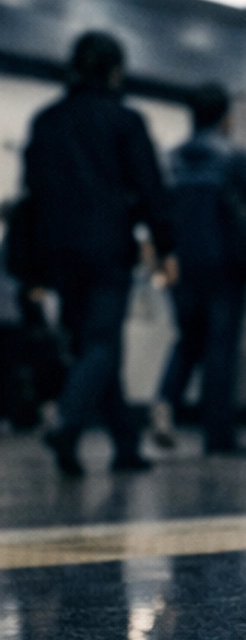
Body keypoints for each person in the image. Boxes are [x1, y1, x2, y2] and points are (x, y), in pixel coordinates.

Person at [19, 29, 176, 477]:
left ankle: (125, 445)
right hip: (107, 246)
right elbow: (149, 187)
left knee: (89, 345)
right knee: (102, 343)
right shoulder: (125, 121)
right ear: (115, 70)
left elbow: (33, 191)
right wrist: (166, 245)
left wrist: (32, 265)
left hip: (57, 250)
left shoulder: (47, 121)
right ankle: (67, 423)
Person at [150, 82, 246, 457]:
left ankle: (165, 402)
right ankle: (218, 435)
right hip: (226, 265)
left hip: (183, 265)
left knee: (188, 338)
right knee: (220, 348)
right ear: (226, 117)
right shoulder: (235, 158)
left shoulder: (173, 160)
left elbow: (161, 213)